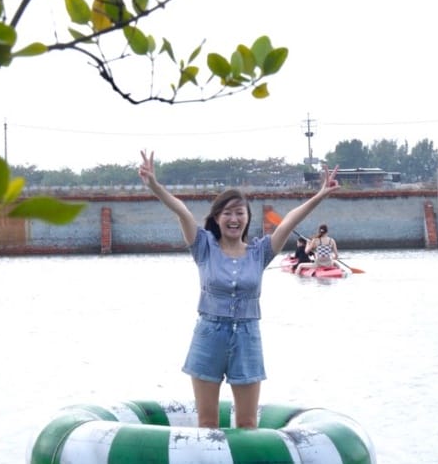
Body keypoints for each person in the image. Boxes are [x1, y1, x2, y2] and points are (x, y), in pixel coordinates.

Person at [138, 150, 340, 429]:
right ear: (218, 218)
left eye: (239, 213)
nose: (234, 219)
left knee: (247, 423)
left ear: (247, 218)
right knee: (207, 422)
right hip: (209, 334)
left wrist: (320, 194)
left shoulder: (260, 252)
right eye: (227, 213)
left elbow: (290, 220)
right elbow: (181, 210)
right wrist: (155, 186)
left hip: (247, 337)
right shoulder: (204, 246)